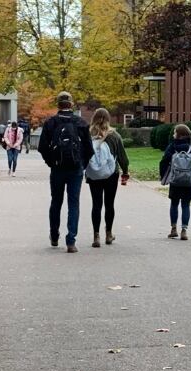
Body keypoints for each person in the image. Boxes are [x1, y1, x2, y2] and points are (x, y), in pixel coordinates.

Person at [38, 91, 94, 253]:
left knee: (56, 201)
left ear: (58, 104)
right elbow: (89, 149)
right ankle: (71, 240)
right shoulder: (81, 123)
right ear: (71, 104)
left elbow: (42, 147)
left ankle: (54, 235)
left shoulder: (51, 123)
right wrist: (81, 165)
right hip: (75, 169)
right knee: (73, 203)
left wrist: (51, 162)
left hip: (57, 169)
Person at [86, 108, 130, 248]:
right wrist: (125, 171)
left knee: (96, 204)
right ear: (108, 119)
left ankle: (96, 235)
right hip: (111, 174)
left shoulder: (88, 134)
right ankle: (109, 234)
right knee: (109, 204)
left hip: (93, 174)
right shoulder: (114, 135)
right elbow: (122, 157)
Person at [159, 124, 191, 240]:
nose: (174, 134)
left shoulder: (172, 147)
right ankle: (184, 230)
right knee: (186, 205)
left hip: (175, 180)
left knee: (174, 204)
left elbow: (163, 161)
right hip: (189, 182)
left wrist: (164, 176)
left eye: (175, 132)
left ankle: (173, 228)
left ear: (179, 135)